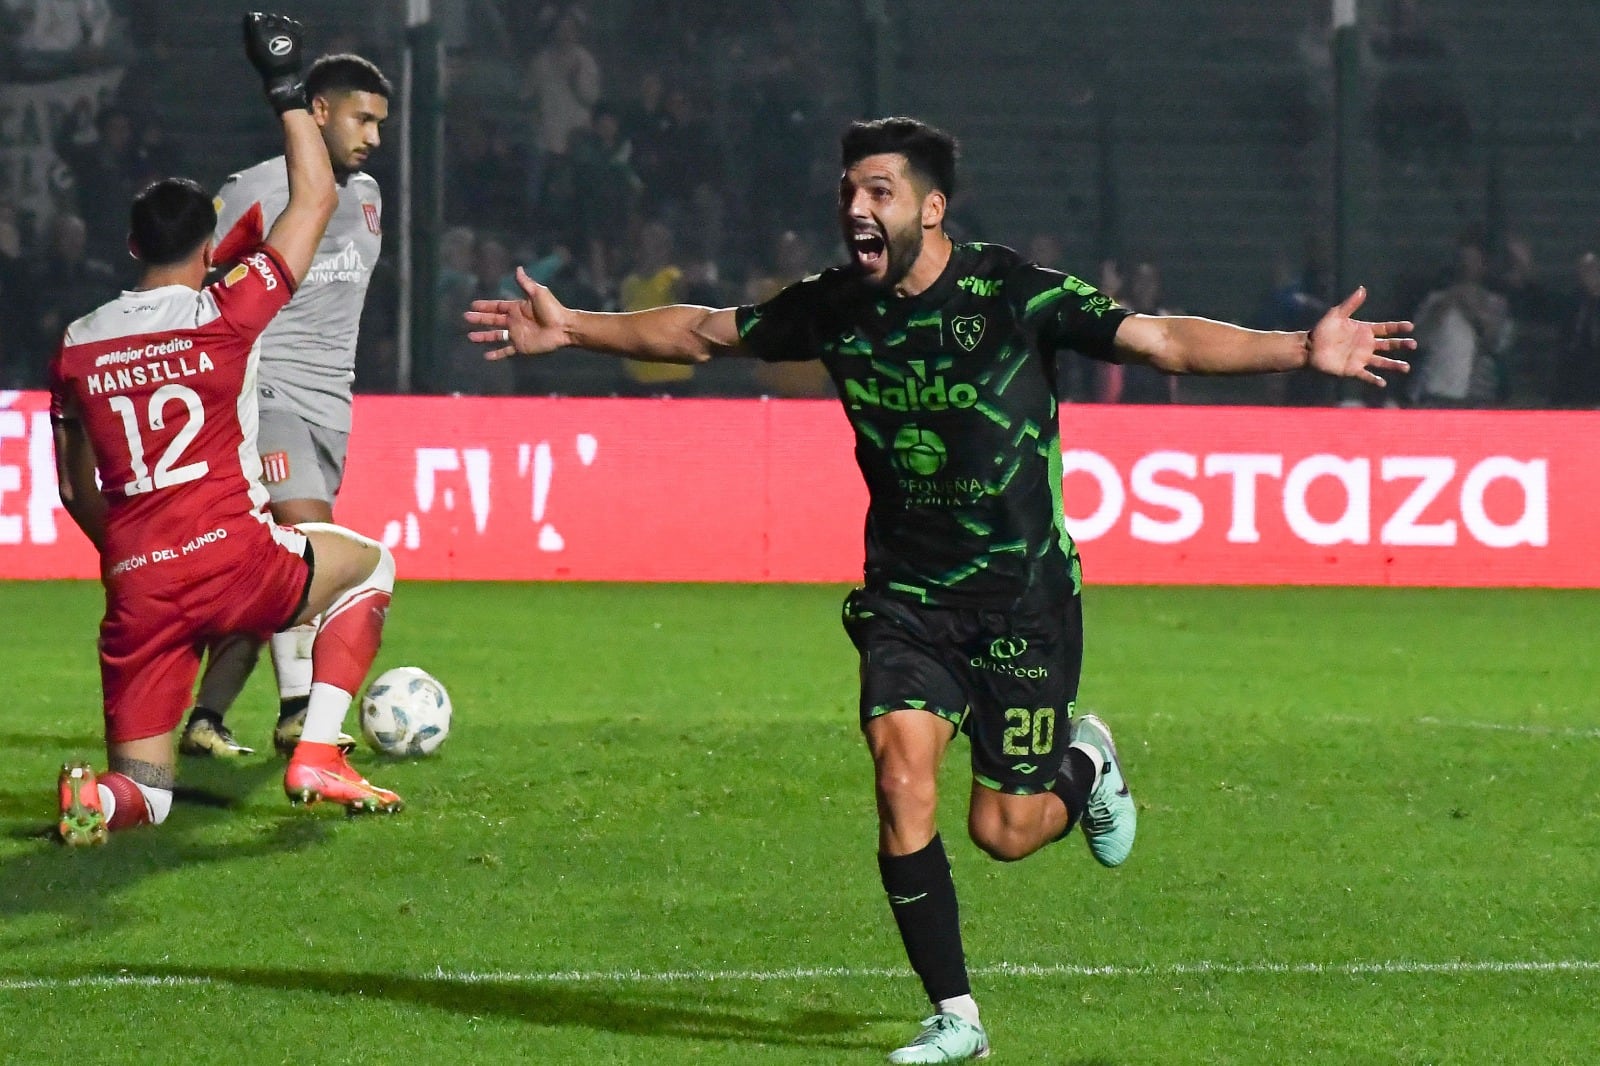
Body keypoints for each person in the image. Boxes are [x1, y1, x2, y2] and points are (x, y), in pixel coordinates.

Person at [463, 116, 1413, 1064]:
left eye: (878, 190)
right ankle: (957, 1015)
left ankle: (1085, 767)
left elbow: (1161, 340)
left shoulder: (1015, 294)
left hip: (1024, 601)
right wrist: (573, 327)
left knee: (1006, 830)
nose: (855, 206)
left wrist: (1301, 348)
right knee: (899, 778)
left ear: (931, 208)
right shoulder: (835, 305)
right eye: (848, 190)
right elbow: (705, 332)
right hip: (907, 597)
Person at [50, 13, 403, 847]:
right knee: (367, 565)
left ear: (131, 243)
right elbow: (313, 198)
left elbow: (73, 487)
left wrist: (133, 558)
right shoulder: (226, 315)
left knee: (148, 795)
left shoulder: (76, 345)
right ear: (212, 247)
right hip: (230, 559)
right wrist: (282, 81)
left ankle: (96, 799)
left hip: (139, 585)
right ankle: (315, 747)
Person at [176, 49, 392, 759]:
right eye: (361, 119)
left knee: (271, 573)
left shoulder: (368, 196)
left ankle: (207, 718)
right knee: (309, 544)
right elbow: (190, 276)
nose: (374, 137)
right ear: (317, 111)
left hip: (331, 407)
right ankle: (301, 710)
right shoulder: (260, 187)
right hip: (265, 396)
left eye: (381, 124)